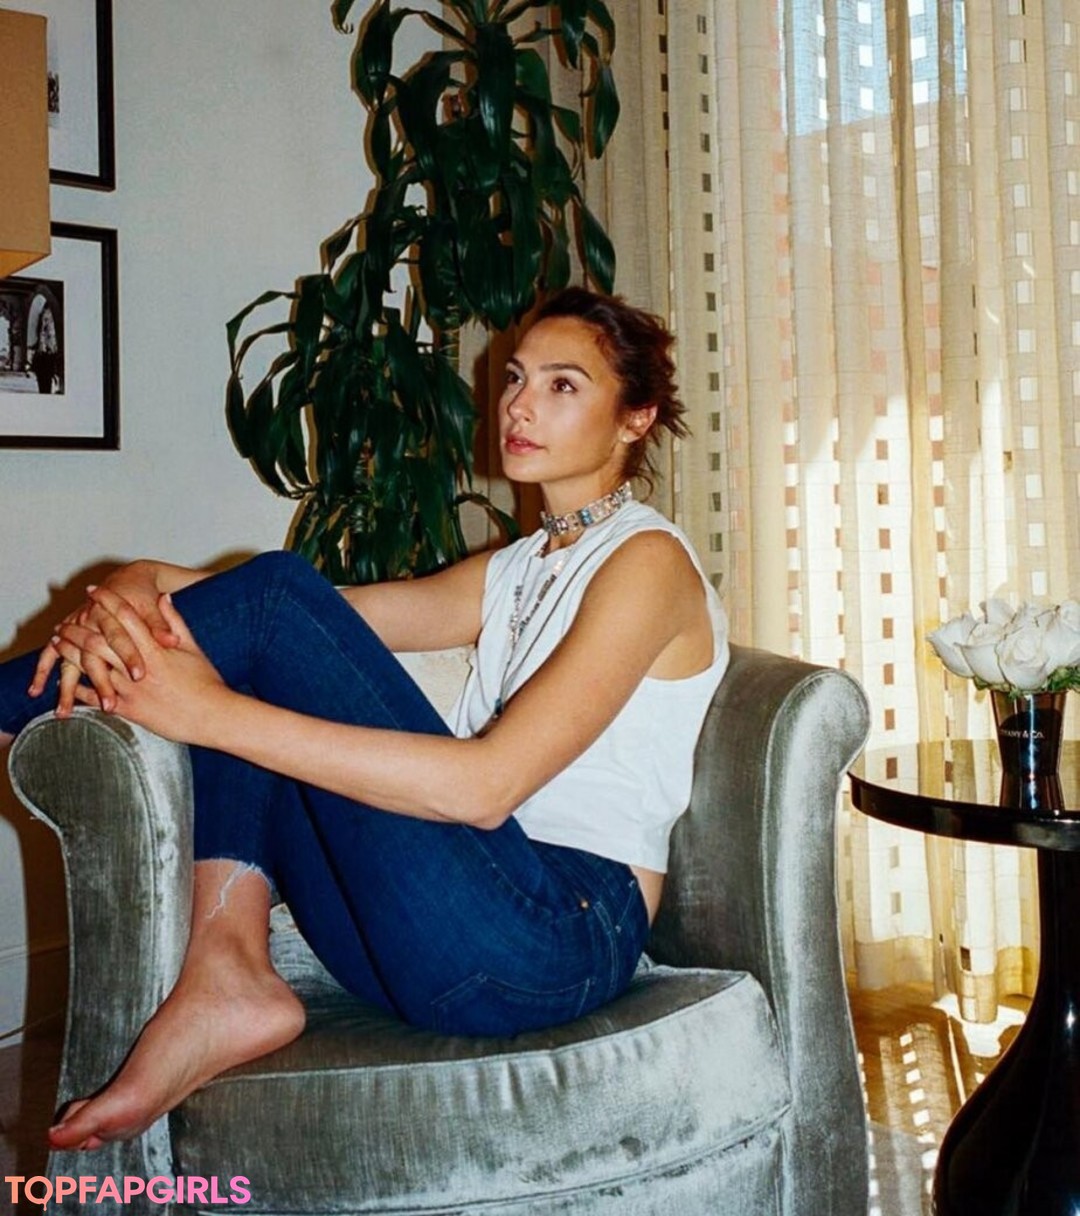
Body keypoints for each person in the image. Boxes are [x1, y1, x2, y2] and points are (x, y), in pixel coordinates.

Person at [0, 287, 729, 1152]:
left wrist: (209, 716)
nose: (519, 405)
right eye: (515, 378)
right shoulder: (515, 568)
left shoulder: (648, 561)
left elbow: (486, 788)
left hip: (555, 938)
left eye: (562, 385)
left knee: (267, 617)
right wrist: (138, 583)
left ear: (634, 418)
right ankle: (227, 972)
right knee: (258, 637)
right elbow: (314, 622)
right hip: (423, 938)